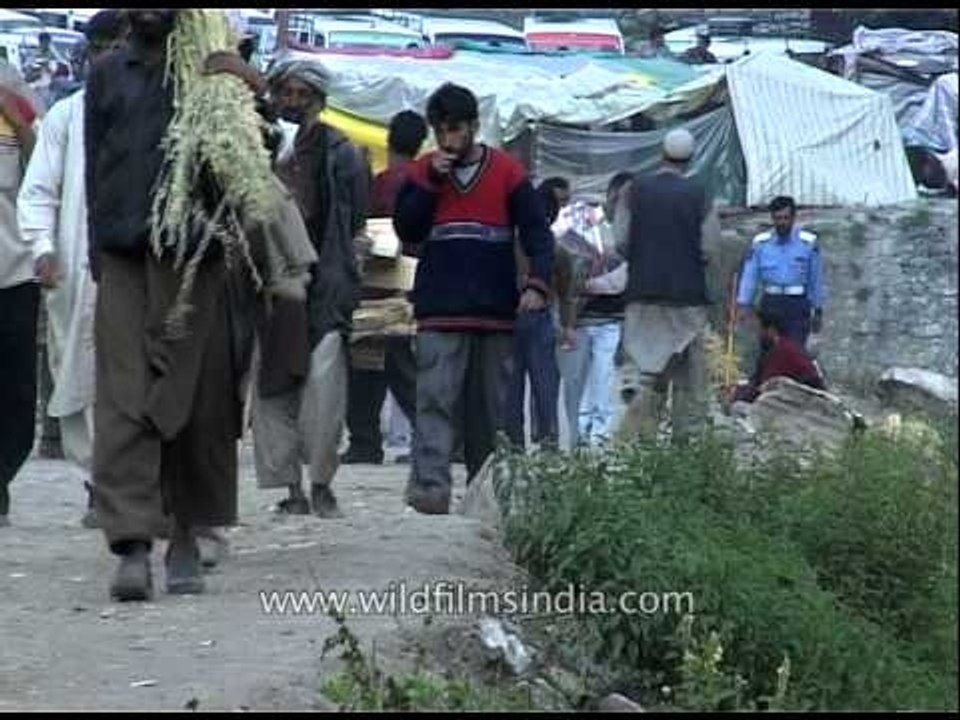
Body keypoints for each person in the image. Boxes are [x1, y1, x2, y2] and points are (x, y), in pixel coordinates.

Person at [84, 10, 260, 600]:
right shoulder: (109, 73)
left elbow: (258, 154)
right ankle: (132, 544)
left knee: (192, 401)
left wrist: (247, 85)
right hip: (125, 256)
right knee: (122, 400)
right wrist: (95, 250)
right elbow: (96, 162)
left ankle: (185, 533)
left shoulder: (211, 68)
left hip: (193, 260)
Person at [394, 82, 554, 515]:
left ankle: (488, 495)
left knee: (494, 412)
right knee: (434, 402)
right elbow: (407, 229)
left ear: (474, 127)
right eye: (443, 130)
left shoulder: (507, 172)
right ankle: (431, 491)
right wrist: (430, 182)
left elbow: (538, 233)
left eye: (458, 129)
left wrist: (538, 285)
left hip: (495, 311)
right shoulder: (422, 172)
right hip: (440, 310)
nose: (450, 139)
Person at [17, 10, 128, 531]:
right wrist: (41, 246)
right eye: (99, 45)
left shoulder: (156, 109)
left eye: (116, 44)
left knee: (130, 378)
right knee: (78, 377)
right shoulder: (67, 115)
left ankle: (125, 483)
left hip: (138, 268)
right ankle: (97, 481)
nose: (106, 55)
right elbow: (39, 189)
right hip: (77, 270)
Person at [253, 60, 369, 516]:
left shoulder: (342, 153)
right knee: (273, 389)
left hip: (324, 284)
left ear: (319, 100)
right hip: (272, 286)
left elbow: (351, 222)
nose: (294, 103)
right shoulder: (260, 148)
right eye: (288, 93)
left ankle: (321, 484)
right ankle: (291, 490)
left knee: (324, 392)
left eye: (304, 95)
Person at [615, 129, 715, 442]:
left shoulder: (632, 191)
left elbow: (620, 241)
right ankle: (684, 453)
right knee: (689, 385)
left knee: (645, 380)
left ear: (661, 153)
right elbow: (709, 249)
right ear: (691, 159)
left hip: (642, 298)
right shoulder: (700, 195)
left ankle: (639, 450)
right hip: (687, 302)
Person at [342, 110, 425, 465]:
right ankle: (428, 439)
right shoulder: (424, 183)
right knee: (399, 366)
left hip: (377, 287)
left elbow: (366, 231)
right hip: (411, 287)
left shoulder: (382, 183)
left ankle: (365, 441)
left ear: (388, 139)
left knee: (372, 367)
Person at [555, 172, 631, 448]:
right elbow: (564, 273)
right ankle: (578, 435)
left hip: (610, 318)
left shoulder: (626, 233)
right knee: (576, 381)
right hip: (579, 319)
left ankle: (598, 436)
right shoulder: (573, 227)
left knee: (603, 376)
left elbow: (622, 279)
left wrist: (588, 285)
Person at [0, 64, 40, 528]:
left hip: (12, 271)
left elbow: (44, 168)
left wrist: (15, 116)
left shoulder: (13, 88)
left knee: (14, 389)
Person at [505, 176, 569, 450]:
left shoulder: (507, 236)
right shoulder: (550, 243)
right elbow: (566, 283)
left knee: (511, 384)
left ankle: (512, 443)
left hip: (508, 314)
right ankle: (548, 440)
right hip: (537, 314)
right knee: (544, 381)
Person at [736, 196, 826, 350]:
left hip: (797, 304)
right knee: (769, 353)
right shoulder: (761, 243)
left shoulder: (808, 243)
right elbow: (750, 276)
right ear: (772, 218)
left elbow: (815, 279)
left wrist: (818, 310)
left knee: (795, 352)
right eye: (777, 218)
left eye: (786, 218)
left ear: (793, 218)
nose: (782, 222)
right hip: (771, 303)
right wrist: (743, 304)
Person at [731, 310, 825, 404]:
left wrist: (738, 397)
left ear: (771, 330)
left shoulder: (782, 350)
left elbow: (763, 386)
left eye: (759, 330)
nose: (757, 335)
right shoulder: (781, 348)